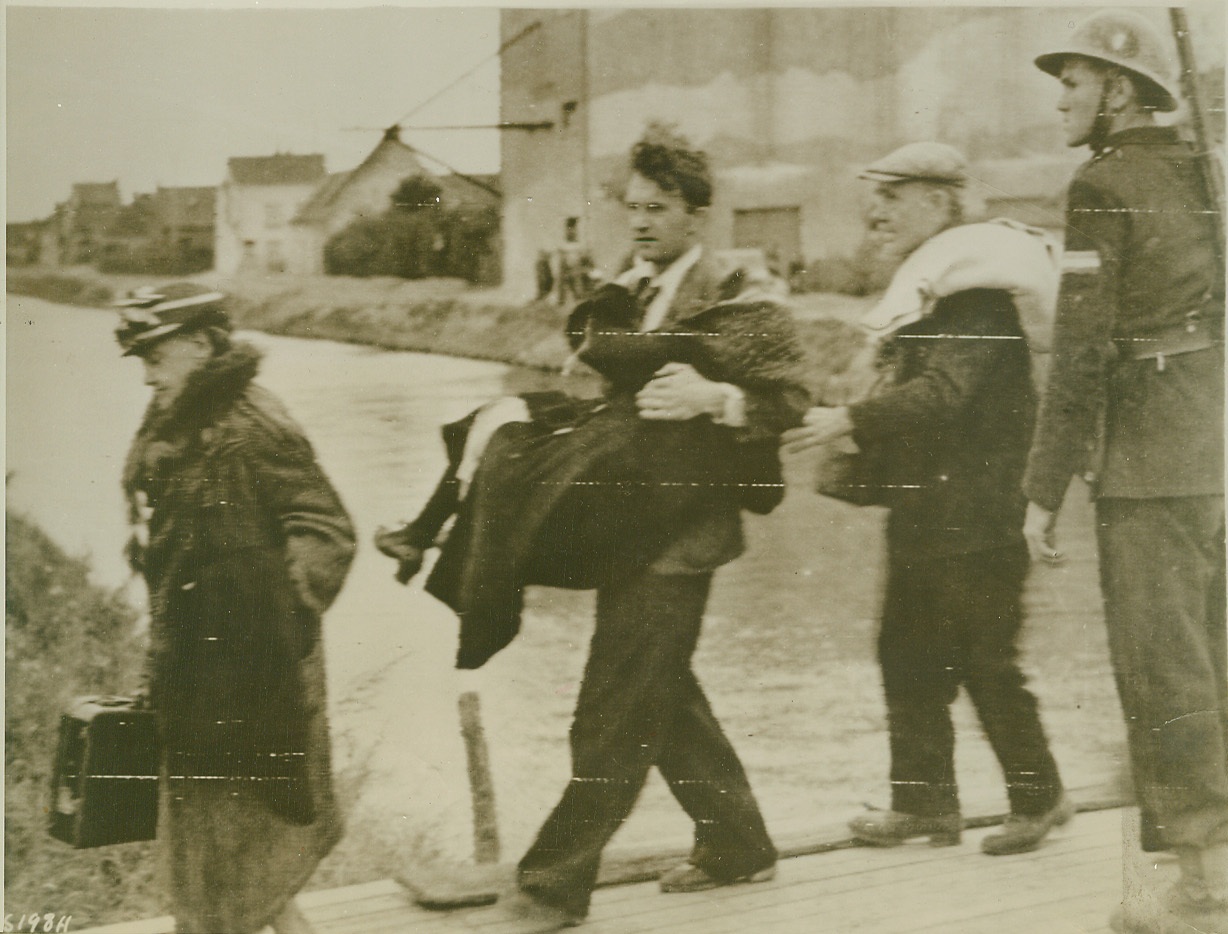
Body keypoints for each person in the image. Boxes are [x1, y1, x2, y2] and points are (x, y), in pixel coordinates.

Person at [381, 127, 806, 932]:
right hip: (629, 519)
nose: (641, 221)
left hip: (684, 536)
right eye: (634, 207)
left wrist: (717, 400)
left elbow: (790, 400)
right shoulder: (634, 286)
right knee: (663, 695)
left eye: (660, 208)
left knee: (610, 713)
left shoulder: (734, 291)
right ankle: (740, 843)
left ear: (698, 213)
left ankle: (549, 889)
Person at [783, 142, 1071, 857]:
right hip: (928, 513)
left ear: (940, 203)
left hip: (980, 516)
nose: (874, 209)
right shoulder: (938, 293)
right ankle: (925, 808)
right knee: (904, 654)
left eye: (893, 194)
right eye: (873, 194)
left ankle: (1041, 798)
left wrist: (849, 420)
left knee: (985, 661)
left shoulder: (976, 300)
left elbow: (943, 397)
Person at [1025, 11, 1227, 933]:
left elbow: (1079, 352)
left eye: (1073, 81)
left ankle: (1201, 886)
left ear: (1117, 89)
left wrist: (1042, 489)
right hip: (1211, 443)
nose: (1061, 99)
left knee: (1163, 674)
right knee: (1212, 659)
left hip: (1145, 460)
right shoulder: (1201, 173)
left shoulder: (1101, 186)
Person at [116, 283, 357, 934]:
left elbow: (327, 527)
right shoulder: (178, 417)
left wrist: (276, 607)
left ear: (199, 345)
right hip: (195, 666)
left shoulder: (252, 422)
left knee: (245, 847)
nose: (146, 374)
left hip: (259, 674)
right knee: (220, 852)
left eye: (154, 356)